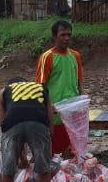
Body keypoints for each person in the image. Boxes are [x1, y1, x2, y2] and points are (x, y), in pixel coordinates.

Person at [0, 77, 54, 182]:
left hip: (13, 124)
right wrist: (43, 148)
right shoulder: (41, 88)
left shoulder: (3, 92)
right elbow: (50, 116)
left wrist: (19, 158)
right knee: (44, 171)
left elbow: (3, 125)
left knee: (7, 172)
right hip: (39, 122)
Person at [35, 19, 83, 156]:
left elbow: (79, 83)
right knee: (54, 153)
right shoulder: (47, 57)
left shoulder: (76, 56)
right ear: (54, 36)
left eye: (69, 34)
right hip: (55, 112)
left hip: (72, 111)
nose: (66, 38)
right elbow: (40, 86)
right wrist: (48, 107)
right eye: (63, 35)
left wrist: (81, 105)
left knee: (71, 152)